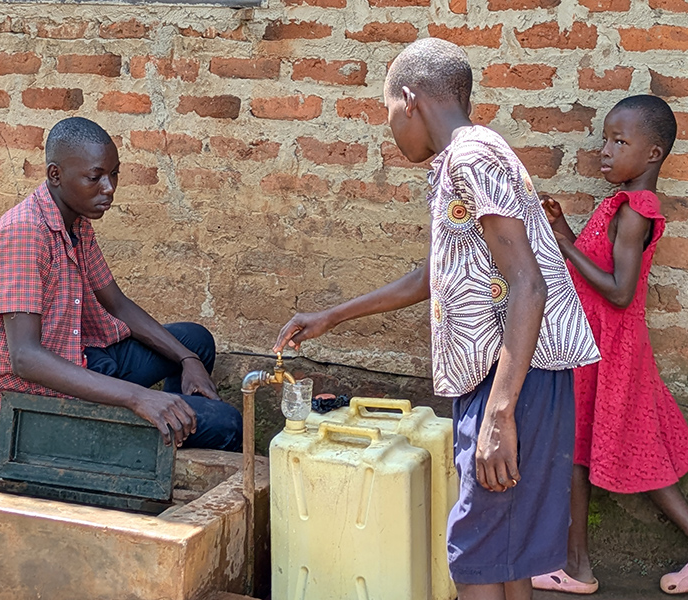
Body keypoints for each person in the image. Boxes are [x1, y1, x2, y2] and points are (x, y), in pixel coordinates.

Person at [273, 38, 600, 600]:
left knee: (471, 557)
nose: (391, 130)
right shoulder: (462, 161)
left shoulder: (473, 156)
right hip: (508, 376)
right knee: (504, 552)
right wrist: (332, 315)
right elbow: (432, 277)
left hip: (514, 379)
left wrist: (499, 415)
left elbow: (528, 283)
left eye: (388, 115)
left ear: (410, 98)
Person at [534, 95, 688, 595]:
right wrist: (564, 232)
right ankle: (577, 565)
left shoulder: (635, 210)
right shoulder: (619, 203)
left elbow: (619, 291)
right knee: (580, 449)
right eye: (605, 139)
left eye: (619, 141)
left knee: (618, 448)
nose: (605, 151)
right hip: (595, 346)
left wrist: (563, 241)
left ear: (652, 154)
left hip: (611, 348)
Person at [0, 117, 241, 451]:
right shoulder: (23, 233)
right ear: (56, 175)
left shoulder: (76, 223)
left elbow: (117, 304)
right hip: (36, 403)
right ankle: (145, 442)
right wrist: (138, 398)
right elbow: (25, 357)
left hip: (79, 360)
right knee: (227, 423)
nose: (109, 187)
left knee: (196, 342)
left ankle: (164, 435)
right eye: (95, 177)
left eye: (114, 174)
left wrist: (188, 360)